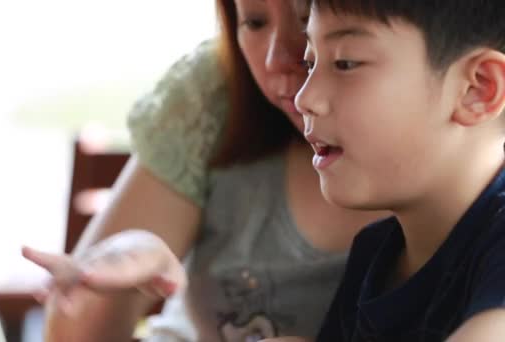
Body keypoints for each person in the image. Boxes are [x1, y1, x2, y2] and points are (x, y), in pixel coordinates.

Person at [23, 0, 387, 341]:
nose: (279, 57)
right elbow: (70, 332)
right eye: (254, 22)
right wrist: (121, 264)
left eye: (307, 16)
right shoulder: (213, 97)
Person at [292, 0, 505, 340]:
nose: (304, 98)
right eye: (309, 63)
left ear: (477, 88)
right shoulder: (374, 250)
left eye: (345, 63)